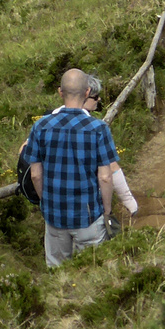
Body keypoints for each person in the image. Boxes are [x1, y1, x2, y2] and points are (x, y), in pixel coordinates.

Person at [22, 68, 117, 267]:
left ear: (60, 92)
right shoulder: (98, 129)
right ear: (87, 92)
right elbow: (106, 177)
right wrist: (106, 211)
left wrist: (45, 203)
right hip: (89, 215)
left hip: (54, 215)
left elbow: (36, 175)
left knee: (57, 271)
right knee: (91, 270)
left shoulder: (40, 126)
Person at [80, 76, 141, 226]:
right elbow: (110, 169)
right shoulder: (96, 128)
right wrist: (122, 203)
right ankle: (131, 205)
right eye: (95, 97)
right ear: (85, 95)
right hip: (87, 206)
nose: (99, 99)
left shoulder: (49, 119)